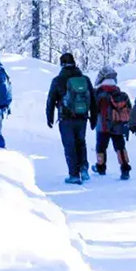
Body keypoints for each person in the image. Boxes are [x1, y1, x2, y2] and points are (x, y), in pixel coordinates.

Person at [46, 53, 97, 185]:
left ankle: (74, 175)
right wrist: (94, 119)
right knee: (81, 142)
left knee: (69, 145)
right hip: (82, 117)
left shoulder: (58, 80)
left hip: (66, 118)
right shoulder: (84, 79)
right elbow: (93, 99)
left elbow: (51, 100)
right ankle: (84, 168)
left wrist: (49, 117)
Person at [92, 67, 132, 180]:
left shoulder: (98, 93)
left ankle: (101, 167)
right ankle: (125, 168)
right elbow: (129, 110)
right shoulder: (120, 93)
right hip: (118, 125)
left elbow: (94, 109)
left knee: (101, 147)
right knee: (120, 146)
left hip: (103, 125)